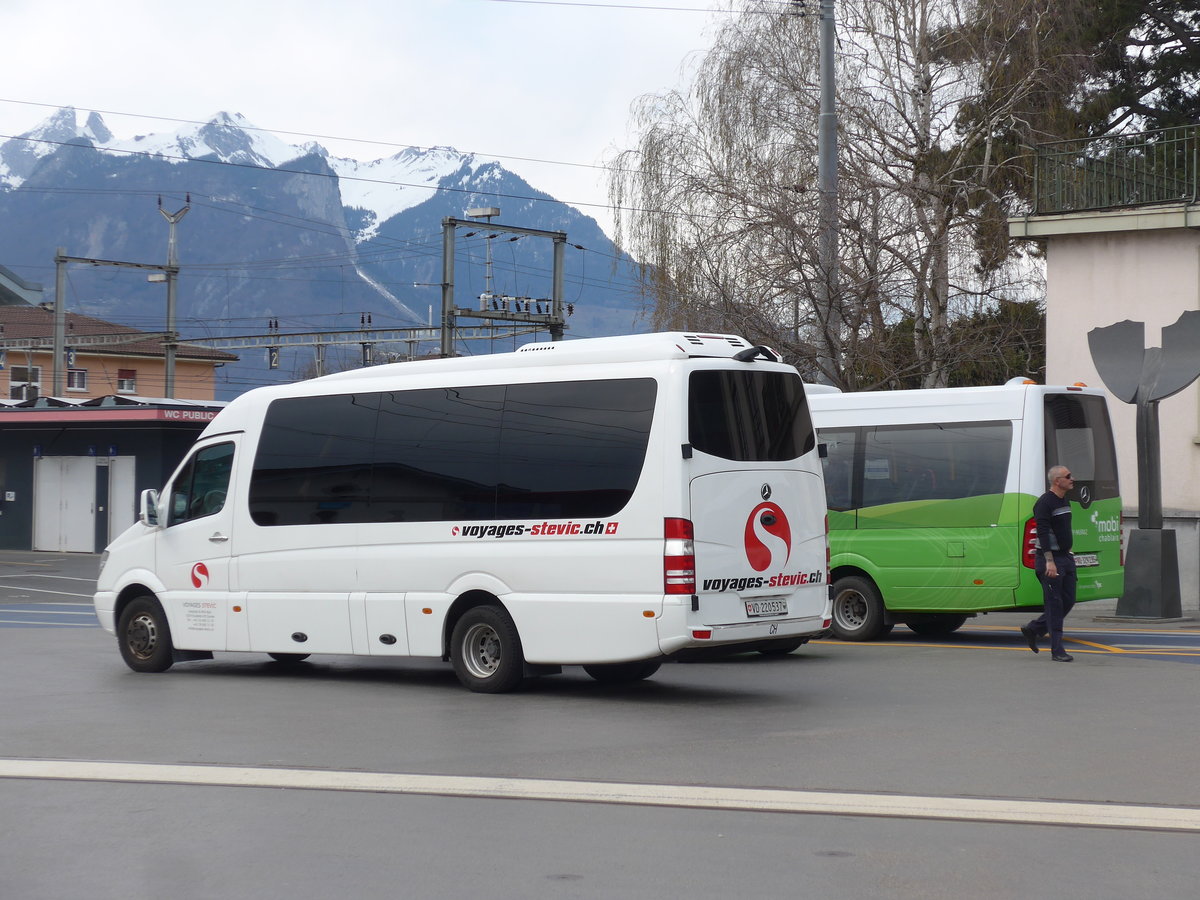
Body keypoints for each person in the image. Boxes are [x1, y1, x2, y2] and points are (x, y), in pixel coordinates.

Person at [1021, 465, 1077, 661]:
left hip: (1065, 557)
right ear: (1057, 481)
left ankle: (1034, 628)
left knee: (1068, 600)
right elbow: (1043, 534)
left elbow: (1061, 530)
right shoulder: (1044, 503)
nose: (1072, 479)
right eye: (1068, 476)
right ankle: (1057, 651)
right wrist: (1049, 562)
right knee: (1055, 604)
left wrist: (1068, 551)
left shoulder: (1064, 500)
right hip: (1049, 560)